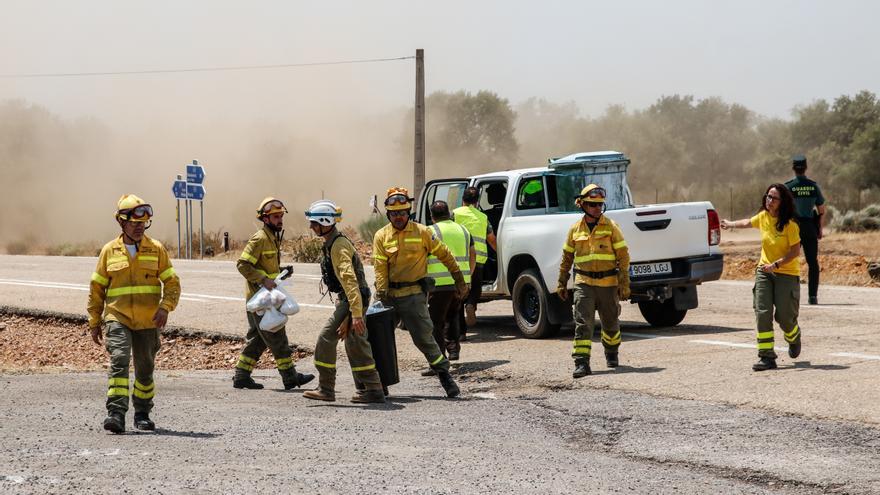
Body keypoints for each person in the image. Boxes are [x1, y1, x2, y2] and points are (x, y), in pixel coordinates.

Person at [87, 194, 181, 433]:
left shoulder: (156, 249)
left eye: (143, 223)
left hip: (148, 320)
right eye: (135, 223)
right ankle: (116, 413)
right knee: (119, 359)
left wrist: (165, 307)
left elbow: (172, 283)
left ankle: (142, 413)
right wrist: (94, 321)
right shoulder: (109, 251)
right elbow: (97, 289)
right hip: (117, 317)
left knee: (145, 367)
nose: (140, 227)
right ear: (121, 222)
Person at [372, 187, 468, 398]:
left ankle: (445, 377)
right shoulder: (381, 236)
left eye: (403, 213)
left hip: (413, 295)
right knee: (378, 339)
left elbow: (446, 255)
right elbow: (380, 267)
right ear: (388, 215)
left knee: (424, 338)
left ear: (409, 213)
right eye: (394, 214)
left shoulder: (423, 232)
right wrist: (381, 294)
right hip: (388, 296)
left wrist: (459, 279)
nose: (399, 217)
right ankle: (379, 384)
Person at [301, 200, 385, 403]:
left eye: (314, 223)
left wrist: (355, 314)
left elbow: (350, 281)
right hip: (350, 300)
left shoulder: (338, 246)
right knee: (354, 343)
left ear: (325, 222)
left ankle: (328, 388)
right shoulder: (333, 242)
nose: (311, 227)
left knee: (327, 338)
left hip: (353, 299)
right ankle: (372, 388)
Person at [232, 197, 314, 390]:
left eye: (280, 216)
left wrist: (281, 272)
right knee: (277, 337)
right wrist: (262, 279)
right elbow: (242, 264)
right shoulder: (260, 239)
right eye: (275, 217)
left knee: (258, 340)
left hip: (266, 297)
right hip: (260, 301)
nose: (279, 220)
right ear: (265, 219)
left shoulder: (273, 238)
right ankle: (290, 377)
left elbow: (266, 267)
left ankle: (241, 375)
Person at [721, 184, 803, 371]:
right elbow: (747, 222)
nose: (769, 200)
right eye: (768, 196)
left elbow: (795, 252)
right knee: (762, 312)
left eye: (773, 198)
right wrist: (730, 224)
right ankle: (766, 357)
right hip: (764, 272)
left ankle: (794, 336)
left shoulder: (791, 224)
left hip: (786, 273)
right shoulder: (763, 217)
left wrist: (776, 265)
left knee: (784, 317)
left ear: (782, 203)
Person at [556, 184, 630, 378]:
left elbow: (623, 256)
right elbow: (566, 258)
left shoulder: (612, 227)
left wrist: (624, 283)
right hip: (584, 283)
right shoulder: (574, 230)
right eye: (592, 204)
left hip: (608, 284)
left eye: (599, 204)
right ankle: (581, 363)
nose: (597, 208)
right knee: (583, 323)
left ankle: (611, 353)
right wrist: (562, 282)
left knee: (611, 323)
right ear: (582, 205)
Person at [427, 200, 475, 362]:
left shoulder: (430, 231)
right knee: (453, 316)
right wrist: (468, 276)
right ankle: (453, 351)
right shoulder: (464, 230)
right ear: (449, 214)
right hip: (461, 284)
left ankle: (439, 360)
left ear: (432, 216)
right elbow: (472, 254)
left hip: (438, 285)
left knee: (435, 323)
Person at [453, 187, 497, 330]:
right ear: (477, 201)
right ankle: (471, 304)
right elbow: (491, 239)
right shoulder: (483, 217)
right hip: (478, 259)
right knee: (476, 287)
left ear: (462, 200)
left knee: (459, 290)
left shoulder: (454, 214)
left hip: (458, 259)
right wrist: (500, 254)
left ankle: (460, 329)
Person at [785, 155, 826, 305]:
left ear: (793, 168)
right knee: (812, 262)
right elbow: (821, 209)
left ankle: (788, 295)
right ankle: (812, 296)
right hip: (809, 227)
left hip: (793, 227)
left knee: (789, 260)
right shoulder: (813, 186)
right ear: (806, 168)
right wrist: (820, 228)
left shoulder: (788, 187)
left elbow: (782, 209)